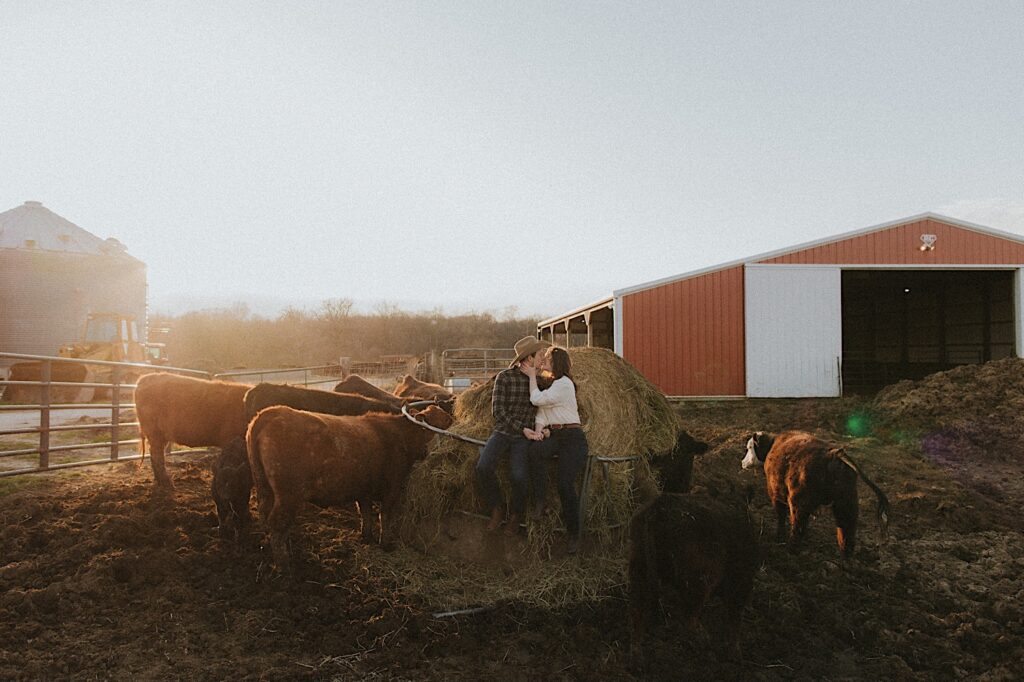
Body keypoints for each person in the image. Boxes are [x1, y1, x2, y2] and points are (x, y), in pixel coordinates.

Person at [475, 335, 552, 534]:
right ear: (528, 359)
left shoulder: (540, 382)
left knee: (519, 476)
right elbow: (498, 411)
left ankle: (517, 515)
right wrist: (521, 428)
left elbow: (555, 397)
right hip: (503, 432)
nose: (542, 357)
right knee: (483, 467)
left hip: (523, 439)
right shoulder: (505, 377)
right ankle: (496, 508)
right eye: (539, 355)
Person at [522, 346, 589, 555]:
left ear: (556, 363)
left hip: (573, 439)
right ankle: (541, 501)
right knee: (535, 452)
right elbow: (542, 412)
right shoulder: (553, 385)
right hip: (557, 436)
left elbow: (537, 400)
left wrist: (533, 376)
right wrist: (539, 431)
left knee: (565, 484)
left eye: (548, 360)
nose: (544, 363)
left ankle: (574, 535)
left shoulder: (564, 384)